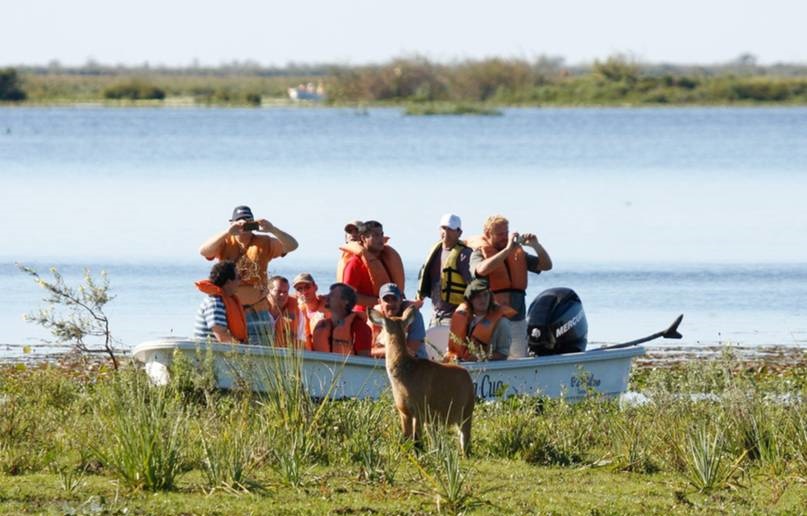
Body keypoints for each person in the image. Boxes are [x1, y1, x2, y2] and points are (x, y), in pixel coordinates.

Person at [198, 205, 299, 345]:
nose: (243, 224)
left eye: (247, 221)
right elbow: (204, 251)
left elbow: (293, 246)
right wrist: (228, 232)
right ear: (232, 223)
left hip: (258, 311)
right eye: (239, 221)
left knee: (261, 353)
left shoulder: (265, 242)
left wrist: (272, 229)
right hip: (230, 310)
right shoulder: (224, 241)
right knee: (232, 350)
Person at [470, 215, 552, 358]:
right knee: (493, 358)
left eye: (506, 233)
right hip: (492, 321)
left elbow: (546, 266)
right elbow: (481, 270)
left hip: (517, 319)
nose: (505, 237)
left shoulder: (516, 252)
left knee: (519, 358)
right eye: (500, 234)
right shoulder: (479, 253)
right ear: (488, 234)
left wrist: (536, 245)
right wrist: (507, 250)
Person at [416, 213, 472, 327]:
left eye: (451, 229)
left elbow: (474, 288)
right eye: (443, 228)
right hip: (435, 316)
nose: (446, 232)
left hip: (455, 317)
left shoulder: (464, 255)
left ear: (459, 232)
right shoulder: (435, 251)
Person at [341, 220, 405, 310]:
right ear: (363, 238)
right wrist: (379, 302)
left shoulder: (387, 258)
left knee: (414, 311)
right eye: (376, 235)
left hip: (389, 311)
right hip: (366, 314)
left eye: (381, 234)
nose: (380, 239)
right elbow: (347, 295)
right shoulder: (355, 264)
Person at [447, 278, 515, 362]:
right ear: (470, 300)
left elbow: (503, 354)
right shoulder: (464, 319)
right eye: (478, 296)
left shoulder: (502, 323)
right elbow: (453, 349)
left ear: (490, 297)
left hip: (489, 367)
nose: (483, 299)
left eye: (485, 295)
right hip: (462, 366)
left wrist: (481, 357)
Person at [194, 260, 247, 343]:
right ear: (228, 282)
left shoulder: (221, 300)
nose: (240, 282)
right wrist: (243, 349)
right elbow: (222, 336)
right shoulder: (215, 303)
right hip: (208, 349)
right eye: (238, 278)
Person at [370, 283, 428, 359]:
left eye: (394, 299)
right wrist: (385, 351)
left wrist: (383, 351)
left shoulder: (414, 315)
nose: (391, 303)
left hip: (415, 361)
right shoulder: (375, 315)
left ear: (400, 300)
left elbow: (411, 351)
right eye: (386, 299)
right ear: (380, 302)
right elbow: (370, 350)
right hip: (384, 360)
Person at [312, 283, 372, 356]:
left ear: (346, 301)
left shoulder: (360, 328)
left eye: (332, 295)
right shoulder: (322, 326)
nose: (326, 297)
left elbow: (365, 360)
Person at [266, 275, 305, 348]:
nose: (282, 295)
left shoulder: (298, 313)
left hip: (285, 354)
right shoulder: (257, 310)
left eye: (285, 292)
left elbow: (300, 341)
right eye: (278, 291)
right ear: (268, 291)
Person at [293, 272, 329, 350]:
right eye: (299, 289)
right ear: (296, 293)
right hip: (308, 356)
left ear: (315, 287)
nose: (304, 292)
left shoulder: (329, 308)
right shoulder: (298, 312)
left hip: (328, 356)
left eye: (307, 287)